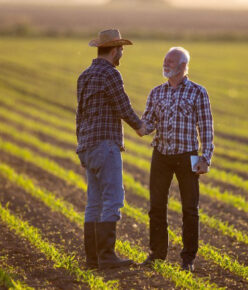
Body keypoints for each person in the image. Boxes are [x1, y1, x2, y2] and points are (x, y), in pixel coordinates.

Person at [76, 29, 145, 270]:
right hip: (105, 145)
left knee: (94, 202)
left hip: (87, 145)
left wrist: (81, 145)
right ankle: (106, 256)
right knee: (113, 199)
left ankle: (93, 258)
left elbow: (80, 114)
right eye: (121, 50)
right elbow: (123, 107)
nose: (122, 54)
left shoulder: (84, 75)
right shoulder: (110, 74)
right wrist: (140, 127)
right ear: (114, 50)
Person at [140, 47, 214, 271]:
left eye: (170, 61)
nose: (165, 64)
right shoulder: (156, 93)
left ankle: (188, 258)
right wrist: (138, 125)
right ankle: (157, 254)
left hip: (188, 156)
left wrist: (205, 158)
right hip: (161, 155)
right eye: (164, 60)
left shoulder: (198, 92)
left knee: (190, 209)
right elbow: (148, 123)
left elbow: (206, 127)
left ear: (183, 66)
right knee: (156, 206)